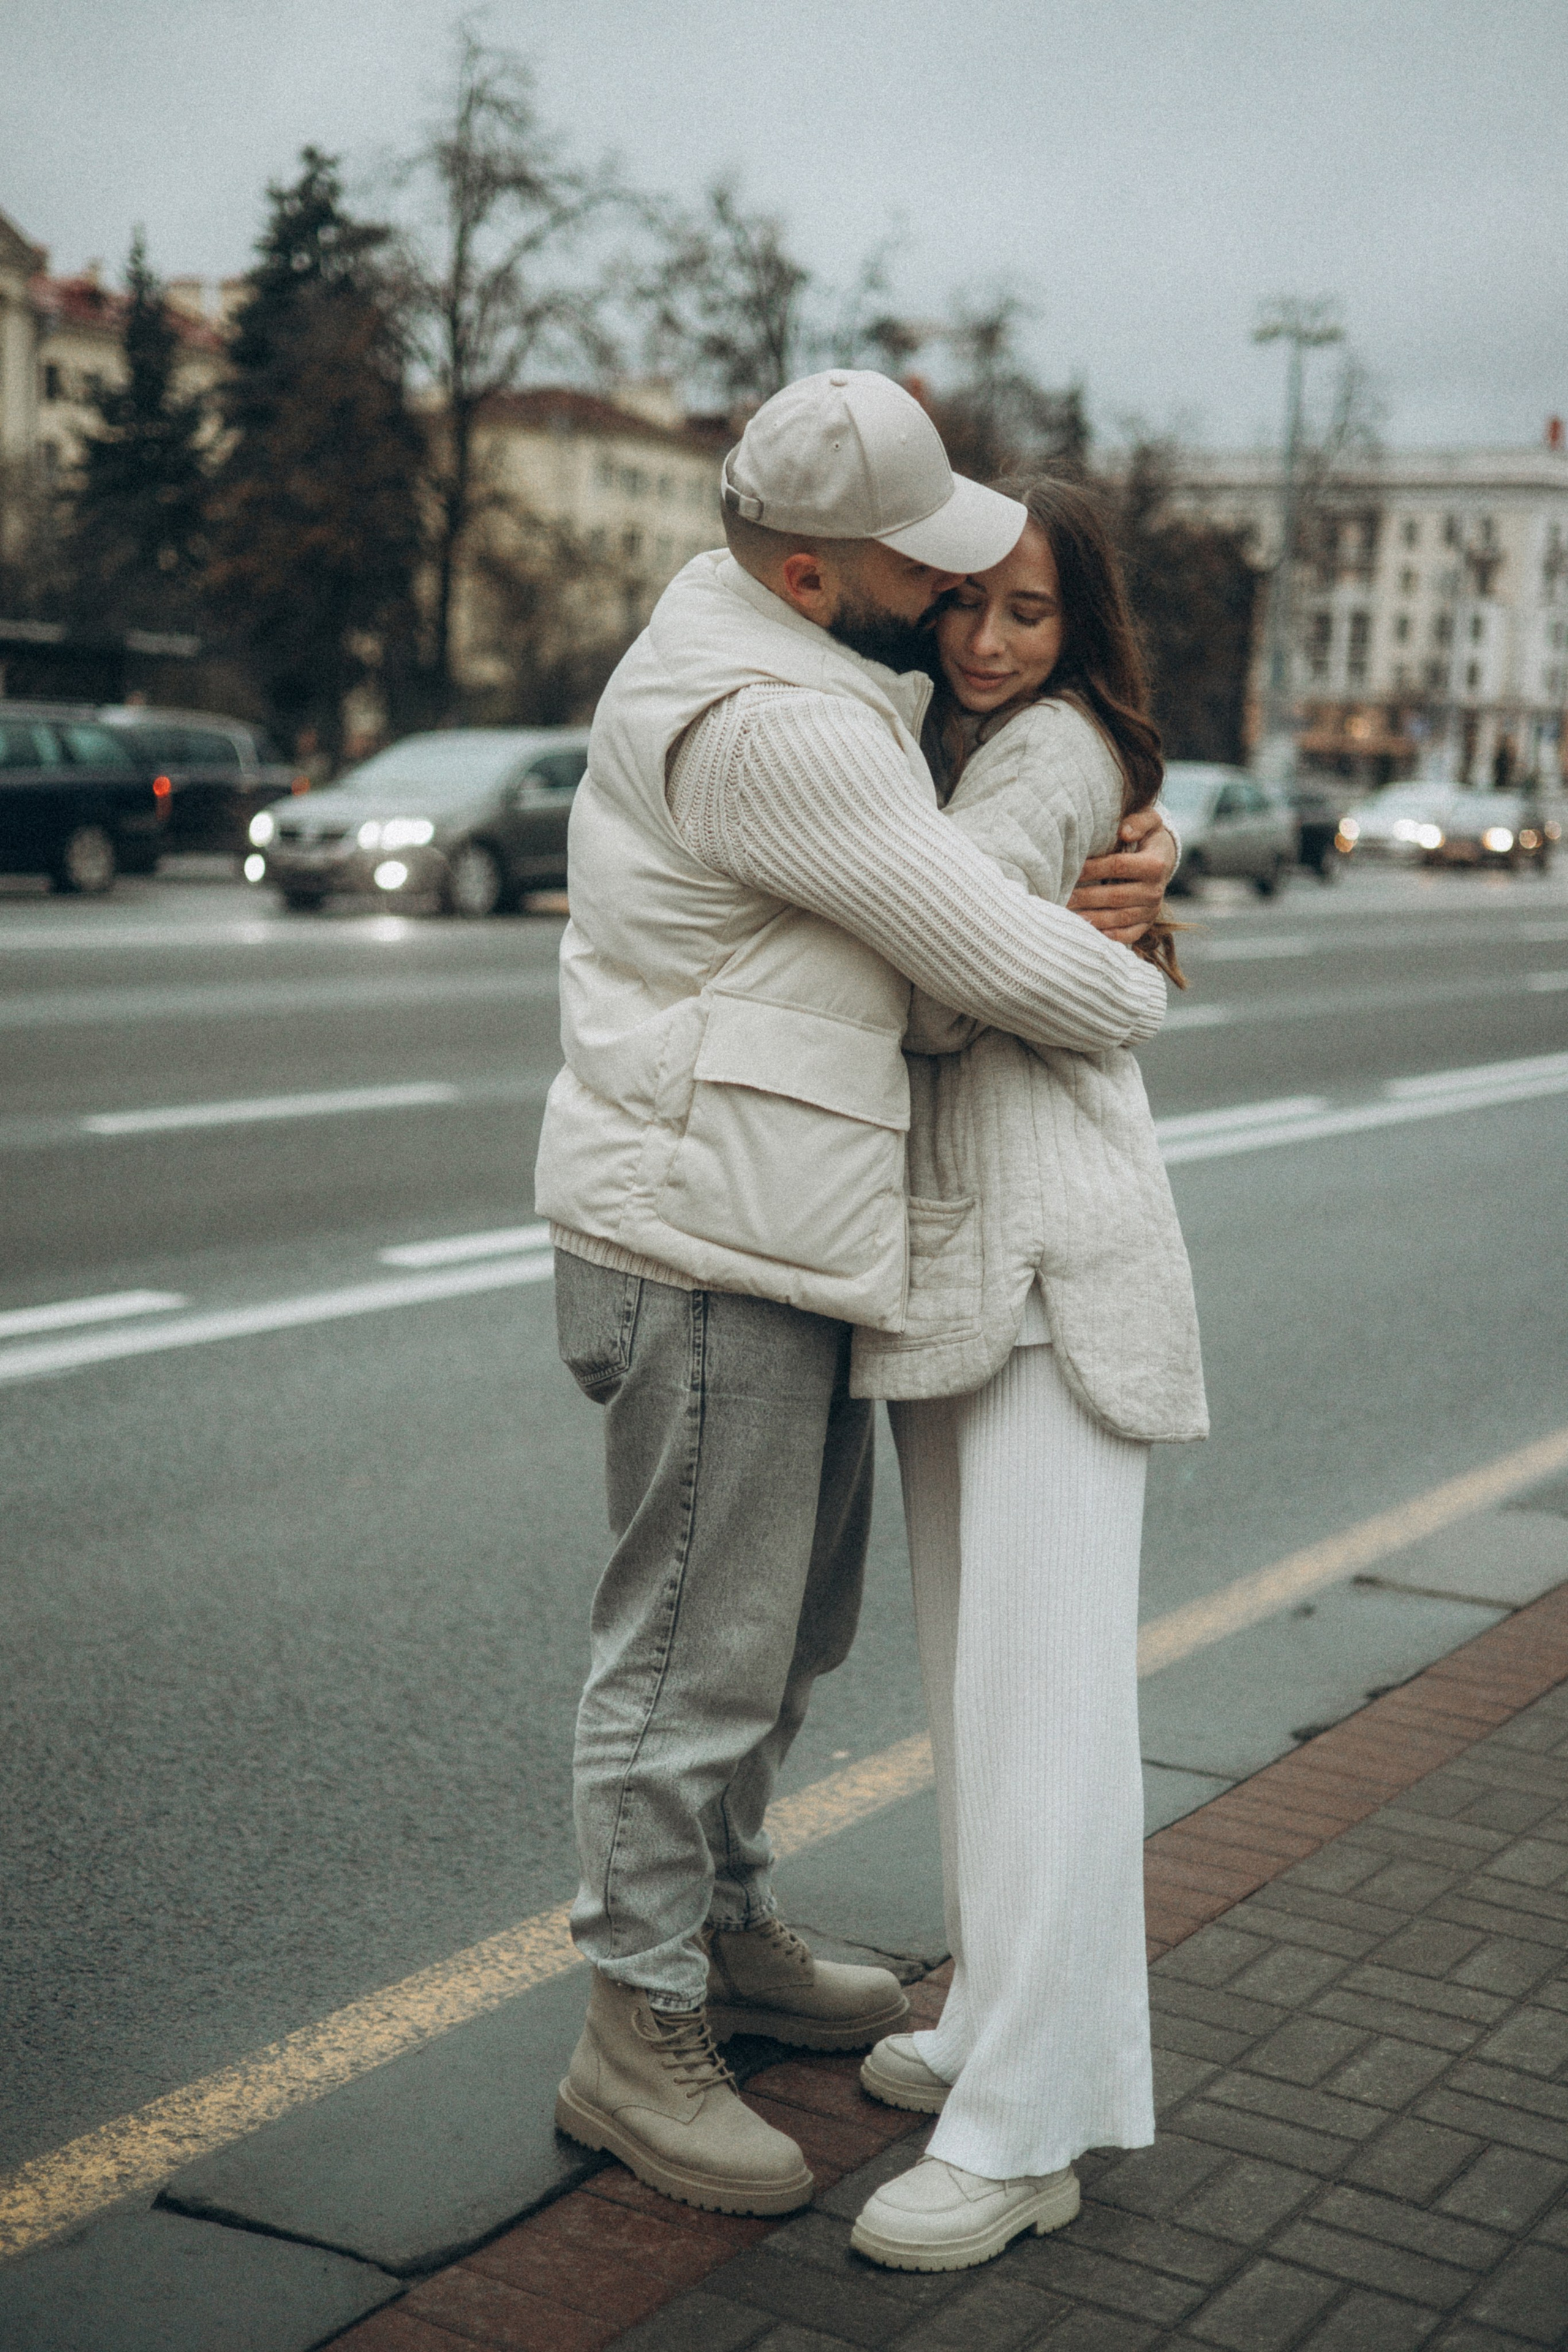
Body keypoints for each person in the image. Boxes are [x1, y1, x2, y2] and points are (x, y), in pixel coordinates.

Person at [533, 371, 1178, 2219]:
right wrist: (1133, 966)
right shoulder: (777, 729)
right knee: (690, 1653)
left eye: (1010, 584)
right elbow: (966, 967)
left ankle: (725, 1933)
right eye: (936, 568)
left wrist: (1119, 824)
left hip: (780, 1216)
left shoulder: (795, 653)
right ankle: (634, 2030)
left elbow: (1025, 782)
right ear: (820, 575)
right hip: (706, 1226)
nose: (966, 604)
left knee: (778, 1633)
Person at [845, 475, 1207, 2273]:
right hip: (962, 1280)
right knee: (980, 1693)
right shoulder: (934, 734)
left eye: (1031, 612)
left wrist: (1097, 969)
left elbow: (932, 974)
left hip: (1058, 1275)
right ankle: (997, 2012)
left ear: (1083, 635)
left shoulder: (1058, 748)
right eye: (966, 606)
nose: (989, 641)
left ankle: (1032, 2128)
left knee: (1047, 1716)